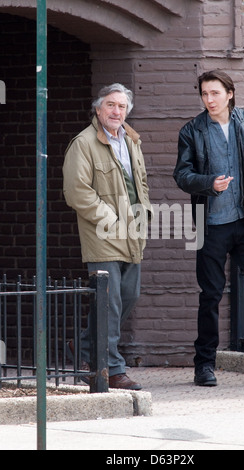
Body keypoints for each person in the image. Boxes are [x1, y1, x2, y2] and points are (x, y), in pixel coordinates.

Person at [173, 70, 244, 387]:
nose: (209, 100)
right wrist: (208, 183)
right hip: (207, 223)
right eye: (204, 94)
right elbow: (182, 175)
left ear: (230, 94)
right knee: (210, 296)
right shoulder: (192, 131)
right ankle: (204, 366)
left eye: (215, 93)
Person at [63, 83, 152, 390]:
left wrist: (145, 212)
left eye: (122, 106)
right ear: (98, 109)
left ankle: (86, 347)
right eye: (111, 105)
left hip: (132, 232)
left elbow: (140, 181)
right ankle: (112, 368)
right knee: (110, 301)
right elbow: (76, 191)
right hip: (103, 234)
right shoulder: (84, 143)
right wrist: (110, 219)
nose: (117, 111)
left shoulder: (131, 140)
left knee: (127, 296)